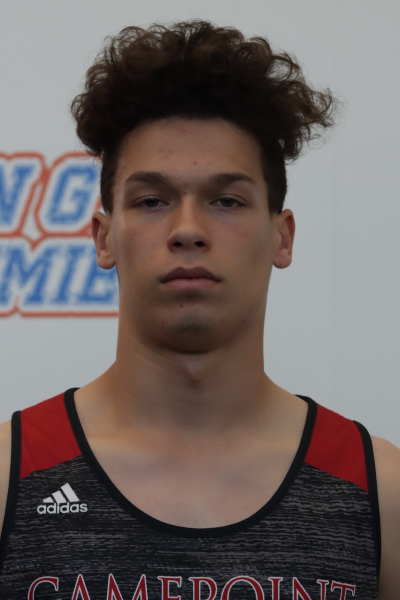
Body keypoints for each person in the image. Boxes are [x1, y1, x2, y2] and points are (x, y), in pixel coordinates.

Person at [0, 20, 398, 600]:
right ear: (104, 239)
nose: (188, 229)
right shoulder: (9, 477)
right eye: (152, 200)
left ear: (282, 236)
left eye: (226, 200)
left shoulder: (379, 490)